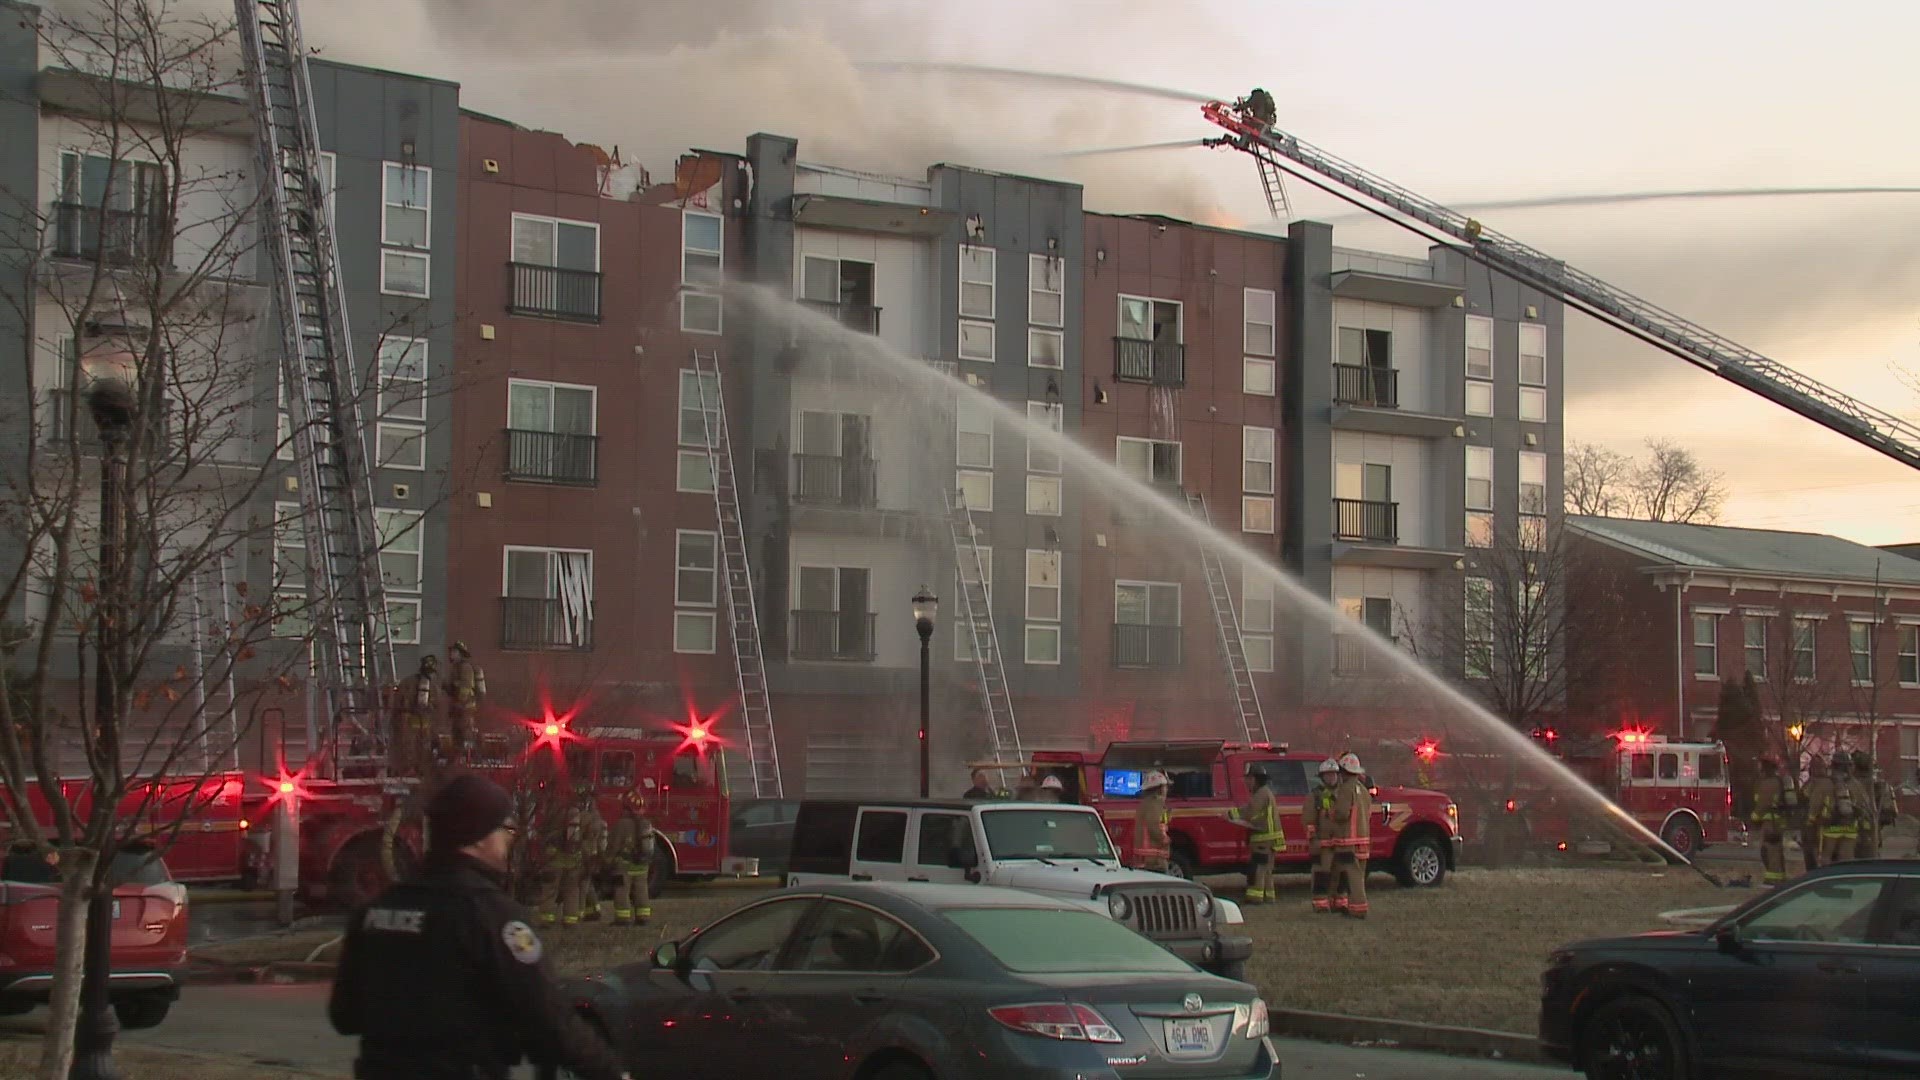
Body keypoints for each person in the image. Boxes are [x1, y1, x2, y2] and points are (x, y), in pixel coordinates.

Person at [328, 774, 630, 1080]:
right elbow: (550, 1021)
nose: (509, 840)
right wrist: (611, 1072)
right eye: (505, 829)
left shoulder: (376, 911)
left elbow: (344, 1016)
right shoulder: (492, 917)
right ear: (479, 835)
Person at [1330, 753, 1373, 919]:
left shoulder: (1346, 789)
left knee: (1353, 875)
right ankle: (1351, 904)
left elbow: (1341, 813)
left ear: (1344, 772)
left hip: (1349, 841)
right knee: (1359, 874)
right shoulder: (1363, 790)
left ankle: (1358, 908)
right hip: (1363, 839)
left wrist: (1331, 813)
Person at [606, 787, 656, 926]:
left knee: (622, 890)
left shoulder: (622, 824)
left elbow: (613, 846)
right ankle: (643, 917)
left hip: (624, 865)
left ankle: (623, 918)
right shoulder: (646, 824)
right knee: (641, 890)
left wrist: (607, 861)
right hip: (642, 865)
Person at [1232, 764, 1281, 904]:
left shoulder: (1261, 794)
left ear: (1254, 779)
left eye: (1248, 779)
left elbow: (1250, 811)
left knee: (1258, 868)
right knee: (1266, 870)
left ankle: (1255, 898)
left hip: (1263, 839)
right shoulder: (1264, 792)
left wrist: (1231, 814)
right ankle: (1269, 897)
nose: (1246, 782)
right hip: (1267, 839)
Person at [391, 654, 437, 776]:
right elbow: (434, 706)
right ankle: (415, 771)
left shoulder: (407, 682)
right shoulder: (431, 686)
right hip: (418, 724)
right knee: (418, 749)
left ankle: (405, 771)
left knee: (408, 749)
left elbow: (396, 703)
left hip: (408, 723)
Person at [442, 641, 487, 766]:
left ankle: (473, 757)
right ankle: (456, 759)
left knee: (465, 733)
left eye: (454, 652)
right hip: (459, 708)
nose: (451, 654)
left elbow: (465, 689)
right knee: (457, 734)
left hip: (465, 708)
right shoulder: (456, 668)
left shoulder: (465, 668)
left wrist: (459, 704)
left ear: (460, 654)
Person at [1309, 758, 1342, 912]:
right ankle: (1321, 903)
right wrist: (1313, 839)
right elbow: (1309, 820)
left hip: (1341, 842)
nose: (1331, 778)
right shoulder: (1316, 795)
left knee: (1340, 873)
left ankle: (1339, 902)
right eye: (1328, 775)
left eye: (1334, 774)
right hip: (1323, 844)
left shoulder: (1344, 793)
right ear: (1322, 777)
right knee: (1322, 873)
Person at [1750, 755, 1788, 885]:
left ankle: (1772, 879)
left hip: (1770, 822)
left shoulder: (1768, 783)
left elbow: (1763, 803)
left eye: (1761, 764)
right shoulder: (1778, 781)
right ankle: (1781, 876)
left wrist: (1754, 817)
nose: (1759, 767)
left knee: (1768, 850)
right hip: (1778, 820)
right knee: (1777, 849)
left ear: (1766, 767)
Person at [1819, 752, 1859, 866]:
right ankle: (1846, 880)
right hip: (1850, 825)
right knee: (1847, 859)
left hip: (1831, 825)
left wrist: (1811, 819)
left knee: (1826, 857)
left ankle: (1826, 879)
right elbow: (1861, 803)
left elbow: (1817, 803)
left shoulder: (1827, 782)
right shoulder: (1855, 783)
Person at [1852, 749, 1893, 860]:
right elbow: (1888, 815)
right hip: (1873, 834)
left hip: (1854, 835)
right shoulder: (1880, 785)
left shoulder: (1852, 784)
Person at [1134, 770, 1172, 873]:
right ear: (1159, 788)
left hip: (1146, 859)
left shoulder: (1145, 804)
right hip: (1154, 859)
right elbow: (1153, 825)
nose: (1167, 789)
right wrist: (1164, 839)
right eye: (1165, 786)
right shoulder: (1155, 803)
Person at [1800, 754, 1829, 872]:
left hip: (1815, 825)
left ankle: (1814, 876)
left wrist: (1810, 820)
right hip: (1824, 825)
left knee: (1813, 853)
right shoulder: (1830, 782)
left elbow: (1810, 801)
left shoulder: (1815, 783)